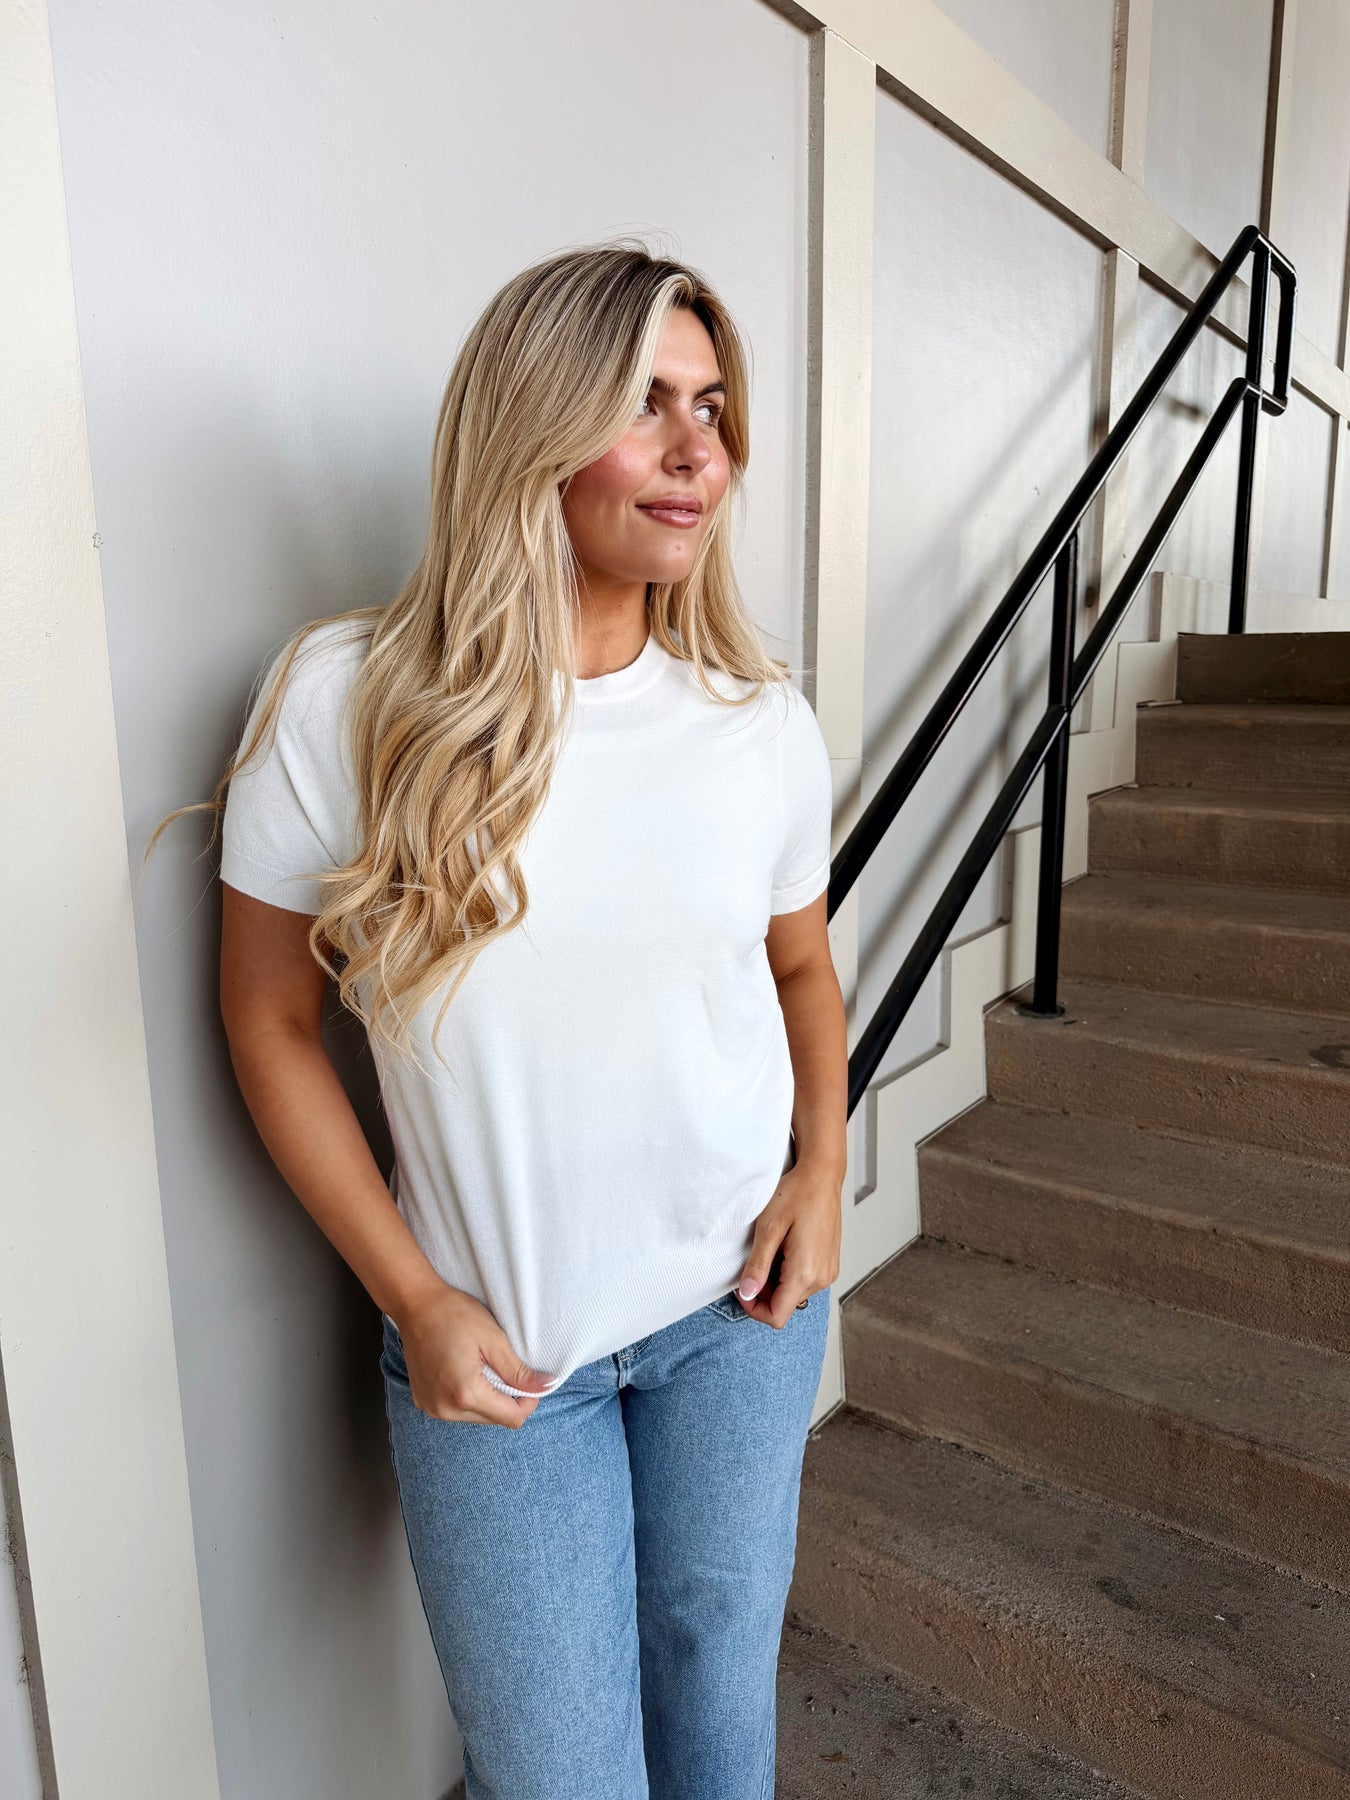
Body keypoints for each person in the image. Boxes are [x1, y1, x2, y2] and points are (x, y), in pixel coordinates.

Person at [159, 240, 847, 1799]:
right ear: (530, 423)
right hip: (500, 1359)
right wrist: (411, 1295)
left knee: (720, 1725)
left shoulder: (756, 725)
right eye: (645, 404)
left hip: (739, 1322)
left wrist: (822, 1172)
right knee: (557, 1775)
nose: (698, 452)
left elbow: (802, 973)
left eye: (713, 409)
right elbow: (268, 1023)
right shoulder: (346, 702)